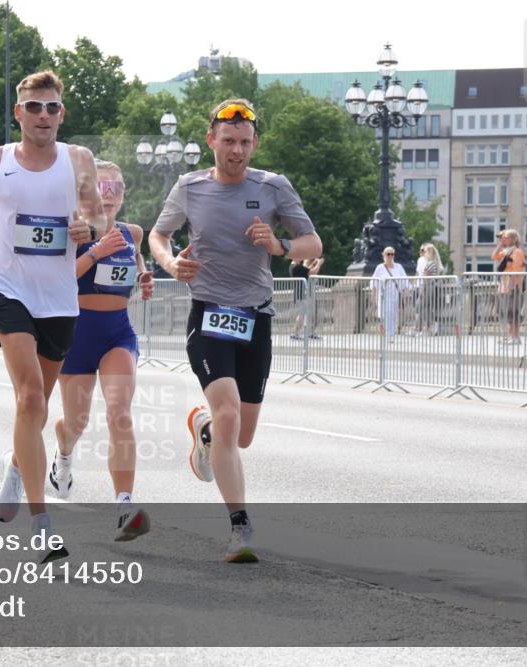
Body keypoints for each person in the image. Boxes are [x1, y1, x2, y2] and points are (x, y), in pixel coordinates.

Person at [148, 99, 322, 563]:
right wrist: (170, 263)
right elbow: (158, 235)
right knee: (228, 414)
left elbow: (312, 243)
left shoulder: (273, 187)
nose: (237, 151)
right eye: (228, 141)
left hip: (256, 316)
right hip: (208, 312)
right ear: (211, 141)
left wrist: (279, 245)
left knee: (241, 435)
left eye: (245, 142)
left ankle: (203, 430)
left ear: (254, 144)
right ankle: (240, 528)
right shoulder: (190, 187)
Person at [0, 70, 100, 562]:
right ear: (19, 113)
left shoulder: (78, 159)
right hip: (10, 293)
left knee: (37, 407)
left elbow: (98, 212)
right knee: (30, 397)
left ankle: (15, 466)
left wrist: (88, 227)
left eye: (52, 107)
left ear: (61, 114)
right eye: (34, 107)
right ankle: (42, 525)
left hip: (60, 299)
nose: (44, 116)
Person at [51, 160, 154, 541]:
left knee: (119, 413)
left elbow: (136, 259)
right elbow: (57, 278)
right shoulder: (74, 230)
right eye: (101, 188)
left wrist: (143, 276)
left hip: (117, 334)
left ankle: (124, 505)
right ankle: (63, 456)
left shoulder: (132, 232)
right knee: (75, 423)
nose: (109, 196)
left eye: (116, 188)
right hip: (76, 335)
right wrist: (96, 252)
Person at [492, 229, 525, 345]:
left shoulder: (517, 252)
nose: (503, 239)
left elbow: (516, 271)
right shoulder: (506, 252)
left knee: (513, 313)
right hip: (503, 287)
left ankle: (515, 336)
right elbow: (494, 256)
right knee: (503, 313)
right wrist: (500, 244)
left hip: (512, 287)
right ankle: (508, 336)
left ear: (513, 239)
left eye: (505, 237)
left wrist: (511, 287)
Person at [372, 247, 410, 340]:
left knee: (393, 315)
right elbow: (374, 283)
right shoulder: (380, 268)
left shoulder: (399, 267)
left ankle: (390, 334)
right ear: (383, 255)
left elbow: (405, 280)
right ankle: (389, 335)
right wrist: (373, 296)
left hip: (395, 295)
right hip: (384, 295)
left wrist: (407, 291)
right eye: (388, 254)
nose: (390, 256)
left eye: (392, 254)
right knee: (386, 314)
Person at [290, 257, 323, 340]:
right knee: (302, 313)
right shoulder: (297, 267)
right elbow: (312, 272)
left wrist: (313, 263)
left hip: (302, 293)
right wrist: (319, 263)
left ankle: (308, 333)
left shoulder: (295, 267)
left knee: (306, 313)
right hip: (302, 293)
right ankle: (295, 333)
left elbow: (307, 270)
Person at [414, 243, 444, 336]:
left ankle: (423, 329)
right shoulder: (435, 263)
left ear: (429, 253)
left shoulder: (429, 264)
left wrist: (421, 291)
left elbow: (425, 279)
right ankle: (427, 329)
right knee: (427, 308)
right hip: (431, 287)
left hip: (427, 287)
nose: (424, 253)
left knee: (421, 307)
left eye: (425, 251)